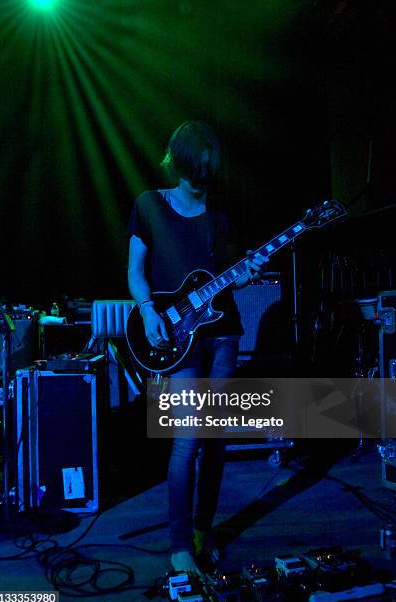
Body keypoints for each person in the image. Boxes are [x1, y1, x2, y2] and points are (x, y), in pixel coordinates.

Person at [127, 120, 266, 573]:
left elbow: (230, 274)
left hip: (222, 334)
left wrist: (245, 275)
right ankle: (179, 545)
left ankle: (203, 532)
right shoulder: (149, 205)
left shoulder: (222, 216)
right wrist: (148, 312)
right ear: (179, 163)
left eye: (207, 169)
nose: (200, 177)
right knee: (187, 442)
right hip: (178, 341)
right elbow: (135, 271)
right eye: (194, 167)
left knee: (217, 441)